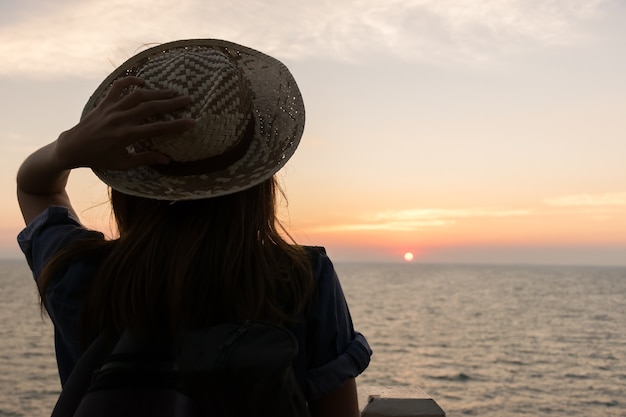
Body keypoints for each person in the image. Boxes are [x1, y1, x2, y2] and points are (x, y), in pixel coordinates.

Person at [16, 39, 371, 416]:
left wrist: (67, 148)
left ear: (127, 183)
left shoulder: (79, 274)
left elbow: (35, 187)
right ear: (258, 183)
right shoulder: (303, 280)